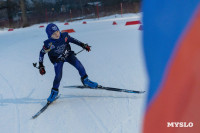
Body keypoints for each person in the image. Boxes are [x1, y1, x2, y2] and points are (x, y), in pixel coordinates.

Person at [39, 23, 98, 102]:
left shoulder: (64, 36)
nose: (56, 34)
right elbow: (41, 53)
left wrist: (83, 45)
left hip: (68, 55)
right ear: (49, 36)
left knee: (79, 65)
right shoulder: (48, 44)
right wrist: (41, 65)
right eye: (53, 34)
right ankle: (54, 91)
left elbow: (74, 40)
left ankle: (85, 80)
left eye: (57, 31)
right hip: (57, 59)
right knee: (58, 76)